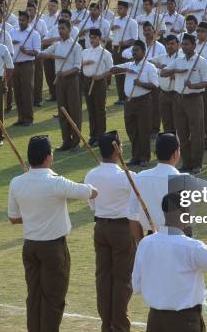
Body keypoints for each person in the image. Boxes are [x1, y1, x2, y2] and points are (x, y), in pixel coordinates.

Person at [8, 135, 98, 332]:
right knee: (53, 299)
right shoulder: (56, 182)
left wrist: (34, 214)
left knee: (34, 297)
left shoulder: (17, 182)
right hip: (53, 248)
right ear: (48, 157)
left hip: (30, 246)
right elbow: (90, 192)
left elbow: (14, 218)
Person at [132, 191, 207, 332]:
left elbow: (136, 285)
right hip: (184, 322)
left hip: (155, 320)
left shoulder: (146, 243)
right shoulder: (192, 247)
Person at [84, 131, 138, 332]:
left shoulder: (91, 174)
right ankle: (120, 324)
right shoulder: (127, 176)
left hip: (100, 227)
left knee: (103, 277)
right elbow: (136, 204)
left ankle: (107, 324)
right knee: (122, 279)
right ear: (118, 149)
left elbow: (91, 204)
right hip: (121, 229)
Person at [161, 33, 207, 173]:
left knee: (196, 132)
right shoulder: (178, 60)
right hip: (178, 98)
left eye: (186, 44)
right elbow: (163, 72)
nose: (183, 46)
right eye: (182, 44)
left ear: (194, 46)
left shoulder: (201, 61)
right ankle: (186, 162)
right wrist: (176, 71)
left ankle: (197, 164)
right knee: (181, 132)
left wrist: (192, 85)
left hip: (194, 99)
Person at [107, 40, 159, 166]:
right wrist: (119, 69)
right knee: (131, 129)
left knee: (143, 130)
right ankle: (135, 156)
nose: (134, 52)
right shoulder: (130, 65)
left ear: (144, 52)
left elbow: (155, 85)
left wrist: (141, 83)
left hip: (143, 102)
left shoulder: (149, 67)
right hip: (129, 102)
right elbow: (113, 69)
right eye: (133, 50)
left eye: (137, 50)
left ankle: (144, 157)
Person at [38, 20, 83, 151]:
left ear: (69, 29)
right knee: (62, 110)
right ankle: (66, 141)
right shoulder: (57, 45)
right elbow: (41, 54)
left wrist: (64, 73)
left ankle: (76, 141)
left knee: (74, 111)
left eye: (63, 28)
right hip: (60, 81)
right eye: (59, 29)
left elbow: (77, 68)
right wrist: (51, 55)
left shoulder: (76, 46)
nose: (60, 31)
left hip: (72, 80)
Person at [82, 29, 113, 146]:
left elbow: (111, 70)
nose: (92, 40)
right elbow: (80, 63)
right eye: (91, 37)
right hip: (87, 81)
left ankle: (101, 136)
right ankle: (93, 136)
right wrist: (84, 64)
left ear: (100, 39)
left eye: (94, 37)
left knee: (99, 109)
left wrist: (100, 76)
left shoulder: (105, 53)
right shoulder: (85, 51)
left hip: (99, 82)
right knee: (90, 110)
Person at [10, 10, 41, 125]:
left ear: (28, 20)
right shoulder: (13, 31)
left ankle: (28, 118)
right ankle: (20, 117)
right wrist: (11, 42)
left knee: (27, 92)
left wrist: (26, 51)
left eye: (23, 20)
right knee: (17, 92)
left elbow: (37, 52)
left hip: (27, 65)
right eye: (19, 20)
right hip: (15, 64)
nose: (21, 22)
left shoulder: (34, 33)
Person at [111, 0, 139, 104]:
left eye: (121, 8)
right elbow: (110, 34)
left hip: (127, 50)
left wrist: (125, 42)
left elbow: (134, 39)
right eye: (118, 8)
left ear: (126, 9)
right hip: (116, 49)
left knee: (127, 73)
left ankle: (129, 96)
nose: (119, 10)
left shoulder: (132, 22)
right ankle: (121, 97)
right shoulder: (114, 20)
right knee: (117, 73)